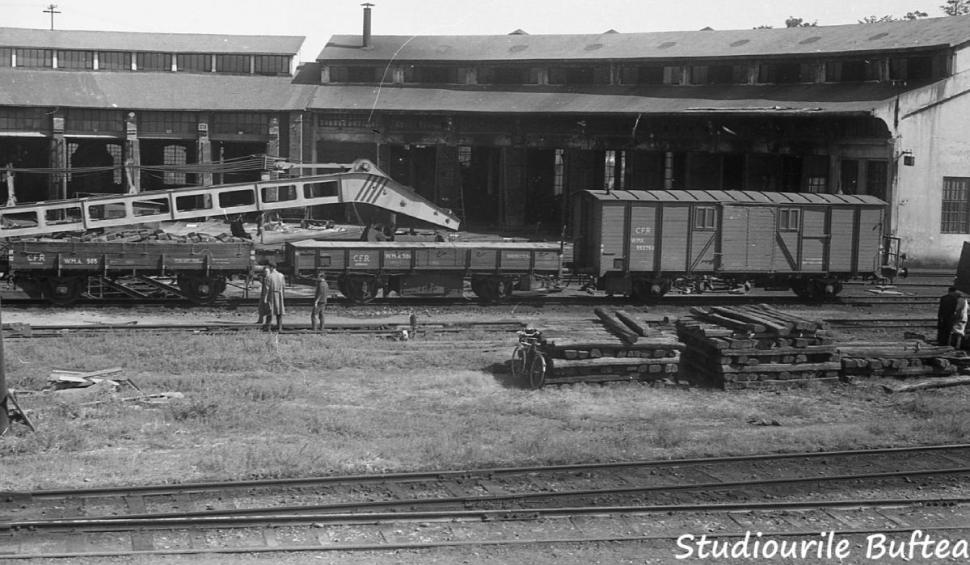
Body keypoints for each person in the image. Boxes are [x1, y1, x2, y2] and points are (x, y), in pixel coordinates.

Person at [261, 262, 286, 332]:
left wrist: (265, 298)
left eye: (269, 267)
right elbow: (284, 286)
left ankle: (268, 328)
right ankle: (280, 328)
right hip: (279, 294)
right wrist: (283, 295)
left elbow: (267, 288)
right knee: (279, 312)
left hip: (271, 295)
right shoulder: (281, 275)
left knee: (270, 311)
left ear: (271, 267)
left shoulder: (269, 276)